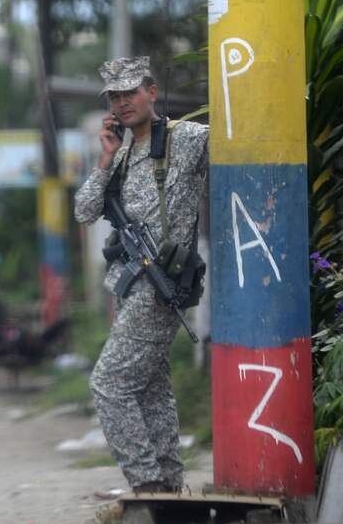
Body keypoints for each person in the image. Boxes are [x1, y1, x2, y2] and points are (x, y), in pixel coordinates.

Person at [74, 56, 208, 492]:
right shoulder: (121, 152)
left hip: (161, 284)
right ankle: (168, 484)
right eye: (114, 96)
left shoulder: (185, 139)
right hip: (132, 286)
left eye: (130, 92)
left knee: (109, 384)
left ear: (151, 92)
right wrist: (105, 157)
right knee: (151, 388)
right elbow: (84, 211)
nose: (122, 102)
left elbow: (240, 146)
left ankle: (147, 483)